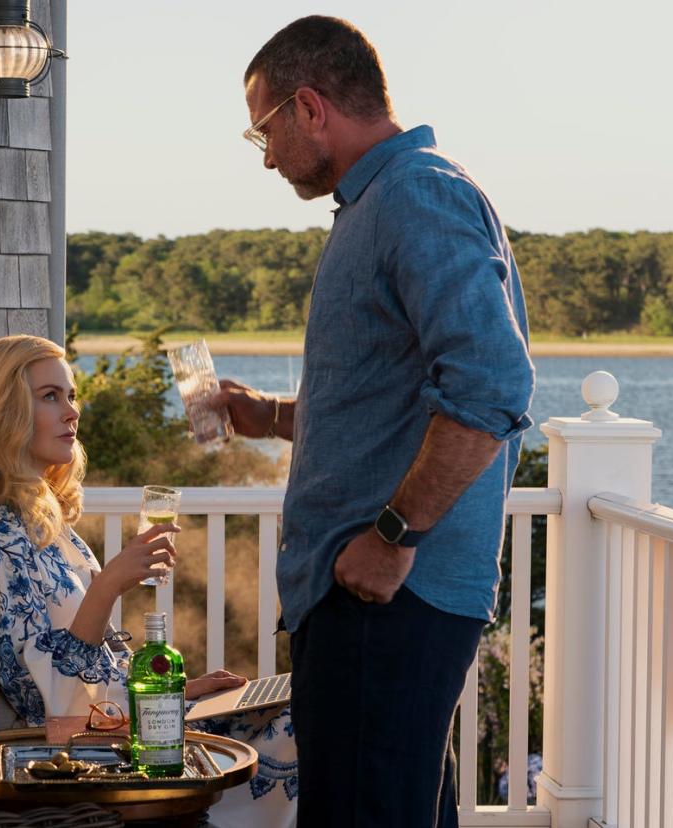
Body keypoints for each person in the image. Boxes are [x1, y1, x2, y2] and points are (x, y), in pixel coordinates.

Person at [212, 16, 535, 828]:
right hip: (366, 594)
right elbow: (395, 400)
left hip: (388, 593)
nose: (268, 156)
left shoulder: (417, 194)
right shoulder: (380, 202)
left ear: (310, 107)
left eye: (266, 131)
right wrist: (272, 417)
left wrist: (393, 537)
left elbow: (492, 384)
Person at [0, 335, 297, 828]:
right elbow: (40, 697)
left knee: (301, 705)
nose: (72, 411)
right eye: (51, 396)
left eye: (71, 396)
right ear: (3, 409)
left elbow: (93, 671)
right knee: (305, 729)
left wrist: (182, 692)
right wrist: (110, 582)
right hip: (85, 760)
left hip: (127, 728)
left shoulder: (42, 523)